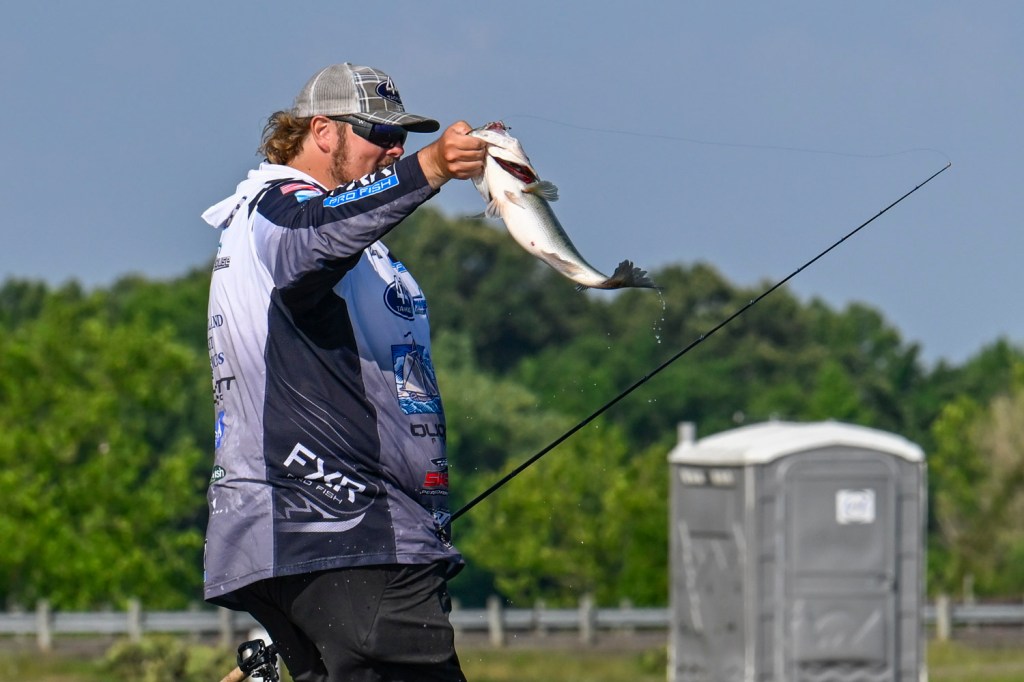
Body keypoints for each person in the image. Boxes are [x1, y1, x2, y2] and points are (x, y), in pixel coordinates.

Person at [200, 62, 487, 681]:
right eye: (378, 134)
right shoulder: (281, 208)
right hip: (344, 534)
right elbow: (312, 239)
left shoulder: (328, 232)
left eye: (403, 139)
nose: (395, 149)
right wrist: (430, 167)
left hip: (338, 546)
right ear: (322, 131)